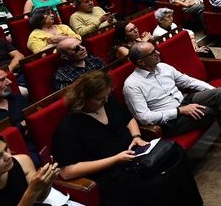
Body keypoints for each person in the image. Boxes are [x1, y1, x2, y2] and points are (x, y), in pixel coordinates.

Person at [52, 71, 204, 205]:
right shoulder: (69, 126)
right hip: (109, 172)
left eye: (107, 96)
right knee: (157, 182)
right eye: (99, 99)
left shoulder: (108, 102)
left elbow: (129, 119)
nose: (105, 101)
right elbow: (67, 171)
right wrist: (115, 159)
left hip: (133, 156)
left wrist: (136, 136)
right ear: (82, 99)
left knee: (176, 154)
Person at [123, 41, 221, 163]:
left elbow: (188, 81)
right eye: (153, 52)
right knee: (219, 110)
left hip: (184, 100)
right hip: (171, 119)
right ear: (141, 62)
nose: (158, 52)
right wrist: (180, 111)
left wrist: (214, 93)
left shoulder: (162, 67)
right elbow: (144, 117)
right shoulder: (132, 85)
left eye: (156, 49)